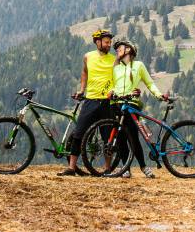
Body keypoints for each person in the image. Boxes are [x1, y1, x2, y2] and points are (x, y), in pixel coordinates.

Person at [58, 29, 117, 176]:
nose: (109, 45)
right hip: (90, 100)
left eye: (110, 42)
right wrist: (81, 89)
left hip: (107, 102)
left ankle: (107, 169)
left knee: (107, 137)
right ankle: (72, 168)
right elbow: (85, 72)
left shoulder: (114, 59)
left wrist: (115, 90)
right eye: (106, 42)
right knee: (79, 133)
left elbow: (119, 77)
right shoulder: (88, 57)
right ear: (97, 42)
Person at [107, 39, 168, 179]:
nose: (116, 50)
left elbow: (149, 83)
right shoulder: (116, 67)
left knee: (133, 137)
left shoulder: (139, 65)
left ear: (128, 49)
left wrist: (159, 95)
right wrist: (110, 91)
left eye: (119, 48)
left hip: (131, 105)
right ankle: (125, 168)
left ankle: (143, 166)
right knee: (120, 138)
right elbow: (111, 84)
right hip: (116, 104)